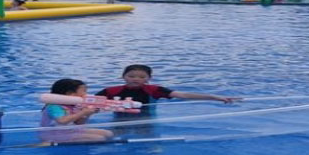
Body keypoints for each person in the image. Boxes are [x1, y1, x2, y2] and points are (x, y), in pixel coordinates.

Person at [95, 64, 236, 104]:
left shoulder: (154, 90)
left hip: (146, 120)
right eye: (131, 76)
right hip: (120, 119)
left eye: (141, 77)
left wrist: (214, 97)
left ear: (148, 79)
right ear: (123, 77)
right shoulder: (111, 91)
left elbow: (183, 95)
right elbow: (90, 101)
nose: (136, 79)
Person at [40, 79, 113, 144]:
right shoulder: (54, 106)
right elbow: (62, 121)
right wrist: (83, 112)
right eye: (84, 91)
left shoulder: (72, 105)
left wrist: (88, 113)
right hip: (53, 134)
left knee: (109, 134)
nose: (85, 94)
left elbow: (79, 123)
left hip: (70, 130)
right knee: (99, 138)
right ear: (70, 93)